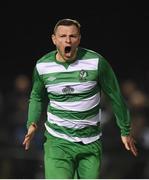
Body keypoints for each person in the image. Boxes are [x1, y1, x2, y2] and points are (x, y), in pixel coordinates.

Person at [23, 18, 138, 179]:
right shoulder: (42, 66)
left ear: (79, 39)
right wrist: (32, 123)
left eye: (73, 36)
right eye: (62, 36)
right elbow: (36, 97)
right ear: (54, 39)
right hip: (58, 140)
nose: (68, 40)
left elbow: (115, 96)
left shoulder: (96, 62)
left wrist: (125, 130)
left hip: (90, 142)